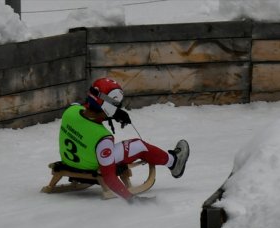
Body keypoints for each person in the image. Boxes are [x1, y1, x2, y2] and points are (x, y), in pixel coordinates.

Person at [58, 77, 189, 203]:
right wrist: (131, 200)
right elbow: (109, 177)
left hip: (71, 160)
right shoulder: (103, 138)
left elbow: (87, 106)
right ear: (109, 106)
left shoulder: (71, 110)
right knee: (139, 145)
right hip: (92, 164)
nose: (117, 108)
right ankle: (174, 162)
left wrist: (114, 114)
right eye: (116, 105)